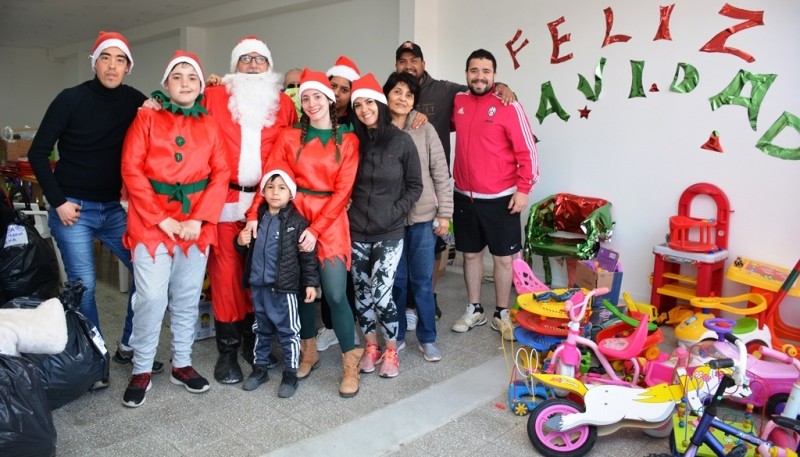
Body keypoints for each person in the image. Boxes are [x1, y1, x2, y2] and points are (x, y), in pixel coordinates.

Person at [27, 31, 163, 384]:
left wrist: (165, 102)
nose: (112, 65)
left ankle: (130, 344)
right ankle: (95, 359)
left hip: (113, 208)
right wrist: (58, 202)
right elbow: (38, 153)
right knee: (84, 285)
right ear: (95, 62)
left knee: (147, 270)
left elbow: (173, 111)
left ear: (128, 67)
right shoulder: (70, 99)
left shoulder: (135, 100)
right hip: (73, 208)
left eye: (120, 60)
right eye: (106, 58)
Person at [120, 50, 230, 407]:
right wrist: (161, 218)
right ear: (166, 84)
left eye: (192, 78)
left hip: (195, 225)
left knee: (185, 297)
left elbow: (221, 173)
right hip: (151, 222)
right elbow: (131, 169)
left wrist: (198, 219)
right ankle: (140, 366)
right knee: (151, 297)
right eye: (178, 77)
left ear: (200, 86)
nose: (185, 83)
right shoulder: (146, 119)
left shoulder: (209, 123)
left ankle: (181, 363)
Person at [249, 68, 362, 397]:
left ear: (330, 99)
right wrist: (253, 214)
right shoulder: (288, 137)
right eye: (306, 97)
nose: (312, 102)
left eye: (318, 96)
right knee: (302, 291)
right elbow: (270, 177)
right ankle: (308, 350)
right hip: (293, 218)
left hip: (330, 221)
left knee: (336, 292)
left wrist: (316, 228)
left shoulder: (349, 140)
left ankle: (349, 361)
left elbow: (342, 192)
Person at [202, 36, 298, 385]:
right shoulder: (213, 96)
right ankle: (227, 351)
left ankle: (252, 342)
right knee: (226, 277)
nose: (254, 65)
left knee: (259, 276)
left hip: (266, 203)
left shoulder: (284, 104)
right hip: (224, 202)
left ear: (269, 66)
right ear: (234, 67)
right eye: (246, 59)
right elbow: (180, 109)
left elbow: (290, 152)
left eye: (260, 59)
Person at [449, 49, 538, 341]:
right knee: (471, 256)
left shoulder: (508, 105)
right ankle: (474, 309)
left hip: (501, 198)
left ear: (495, 75)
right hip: (464, 196)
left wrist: (523, 190)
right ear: (466, 74)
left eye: (486, 71)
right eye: (474, 70)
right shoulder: (459, 102)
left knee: (503, 259)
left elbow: (528, 152)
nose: (479, 76)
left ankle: (502, 312)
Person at [349, 73, 422, 378]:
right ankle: (370, 347)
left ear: (379, 102)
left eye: (369, 101)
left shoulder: (402, 141)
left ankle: (391, 348)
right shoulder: (354, 141)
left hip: (389, 231)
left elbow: (415, 185)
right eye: (358, 104)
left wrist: (395, 212)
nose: (364, 108)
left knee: (381, 293)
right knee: (361, 293)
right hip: (356, 230)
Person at [383, 72, 452, 362]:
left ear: (414, 101)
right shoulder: (378, 127)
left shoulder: (424, 128)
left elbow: (440, 172)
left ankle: (427, 337)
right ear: (386, 95)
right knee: (396, 281)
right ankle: (396, 335)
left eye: (408, 95)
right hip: (390, 220)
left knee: (422, 280)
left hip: (423, 217)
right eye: (397, 92)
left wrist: (445, 214)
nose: (402, 99)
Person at [235, 165, 319, 397]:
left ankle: (290, 374)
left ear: (290, 193)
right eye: (270, 187)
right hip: (258, 287)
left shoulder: (297, 221)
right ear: (263, 191)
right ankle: (260, 368)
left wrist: (310, 283)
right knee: (260, 329)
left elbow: (308, 256)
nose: (275, 192)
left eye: (281, 188)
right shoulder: (257, 219)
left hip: (283, 289)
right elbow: (243, 248)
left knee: (288, 331)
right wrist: (240, 241)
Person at [313, 54, 362, 353]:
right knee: (328, 272)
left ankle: (348, 326)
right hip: (322, 208)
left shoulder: (358, 123)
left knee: (347, 272)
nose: (339, 93)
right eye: (334, 87)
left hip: (352, 206)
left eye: (345, 89)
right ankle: (330, 327)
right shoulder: (313, 117)